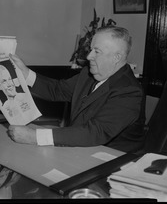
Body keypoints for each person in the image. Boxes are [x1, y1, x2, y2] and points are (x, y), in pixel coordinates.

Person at [8, 26, 146, 153]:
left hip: (113, 160)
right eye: (91, 49)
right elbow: (58, 90)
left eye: (96, 51)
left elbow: (96, 132)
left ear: (117, 57)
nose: (89, 56)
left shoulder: (129, 91)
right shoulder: (88, 74)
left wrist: (34, 137)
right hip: (80, 150)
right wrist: (25, 74)